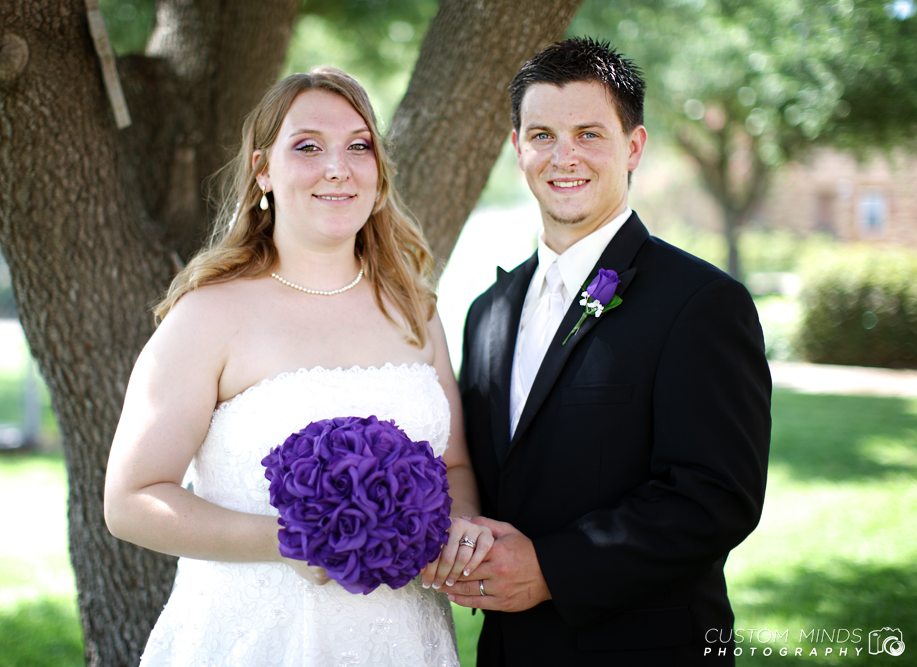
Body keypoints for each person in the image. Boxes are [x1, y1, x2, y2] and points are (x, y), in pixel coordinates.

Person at [103, 67, 492, 667]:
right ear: (263, 169)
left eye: (359, 146)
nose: (338, 167)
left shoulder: (416, 308)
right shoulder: (207, 315)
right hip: (253, 639)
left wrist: (457, 526)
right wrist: (293, 542)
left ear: (378, 172)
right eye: (308, 147)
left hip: (403, 636)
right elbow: (131, 500)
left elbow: (455, 464)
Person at [446, 38, 772, 665]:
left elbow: (715, 495)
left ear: (634, 147)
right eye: (541, 134)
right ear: (518, 149)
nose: (563, 156)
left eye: (588, 133)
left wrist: (550, 569)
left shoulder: (701, 301)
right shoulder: (487, 313)